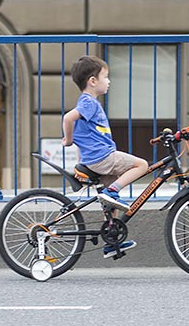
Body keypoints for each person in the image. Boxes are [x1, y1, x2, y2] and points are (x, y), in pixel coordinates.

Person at [61, 55, 149, 257]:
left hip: (94, 160)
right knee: (142, 165)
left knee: (111, 206)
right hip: (103, 158)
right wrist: (68, 139)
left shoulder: (88, 103)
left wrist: (75, 143)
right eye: (106, 77)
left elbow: (84, 133)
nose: (109, 81)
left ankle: (112, 241)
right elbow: (68, 118)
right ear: (93, 81)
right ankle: (112, 190)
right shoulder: (89, 102)